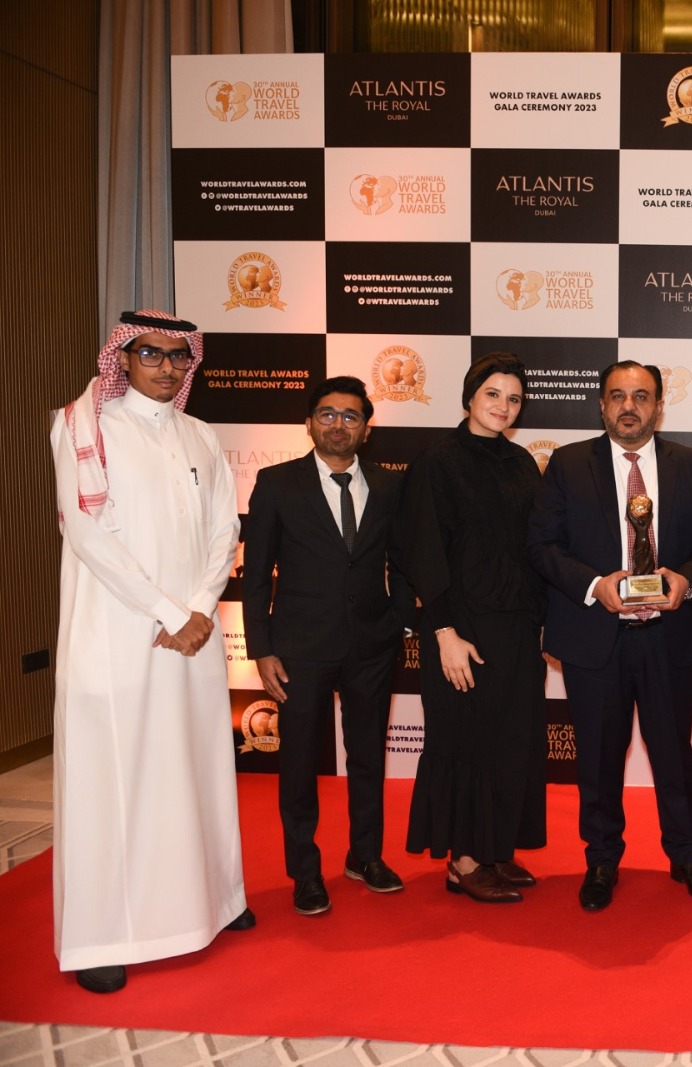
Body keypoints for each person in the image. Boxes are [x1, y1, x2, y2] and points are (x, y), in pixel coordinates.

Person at [50, 310, 253, 994]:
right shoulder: (85, 427)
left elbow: (224, 530)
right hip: (119, 633)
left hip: (192, 634)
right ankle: (101, 936)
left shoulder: (200, 434)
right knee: (116, 778)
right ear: (122, 357)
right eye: (151, 354)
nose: (167, 368)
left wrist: (199, 606)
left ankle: (216, 902)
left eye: (178, 357)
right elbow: (87, 534)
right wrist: (169, 612)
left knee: (198, 766)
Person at [531, 361, 692, 910]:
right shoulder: (568, 464)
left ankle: (687, 855)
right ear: (601, 405)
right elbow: (542, 544)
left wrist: (686, 581)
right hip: (595, 634)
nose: (629, 407)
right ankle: (601, 860)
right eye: (617, 396)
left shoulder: (691, 464)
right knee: (597, 756)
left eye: (641, 396)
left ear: (659, 405)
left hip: (669, 634)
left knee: (673, 753)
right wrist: (595, 585)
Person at [242, 376, 412, 916]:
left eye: (350, 416)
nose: (339, 425)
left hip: (372, 647)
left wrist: (400, 621)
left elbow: (403, 561)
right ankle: (305, 872)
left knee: (367, 758)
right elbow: (255, 575)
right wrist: (261, 647)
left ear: (366, 429)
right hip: (299, 649)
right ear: (310, 422)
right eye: (328, 414)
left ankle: (366, 856)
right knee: (298, 764)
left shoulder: (389, 485)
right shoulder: (276, 483)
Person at [396, 352, 547, 903]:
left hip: (516, 629)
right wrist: (443, 633)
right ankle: (463, 861)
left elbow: (534, 549)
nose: (503, 406)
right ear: (469, 397)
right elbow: (421, 551)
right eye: (493, 394)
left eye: (514, 398)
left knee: (510, 740)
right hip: (460, 630)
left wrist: (540, 623)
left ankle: (493, 849)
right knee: (464, 739)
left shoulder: (522, 463)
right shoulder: (437, 461)